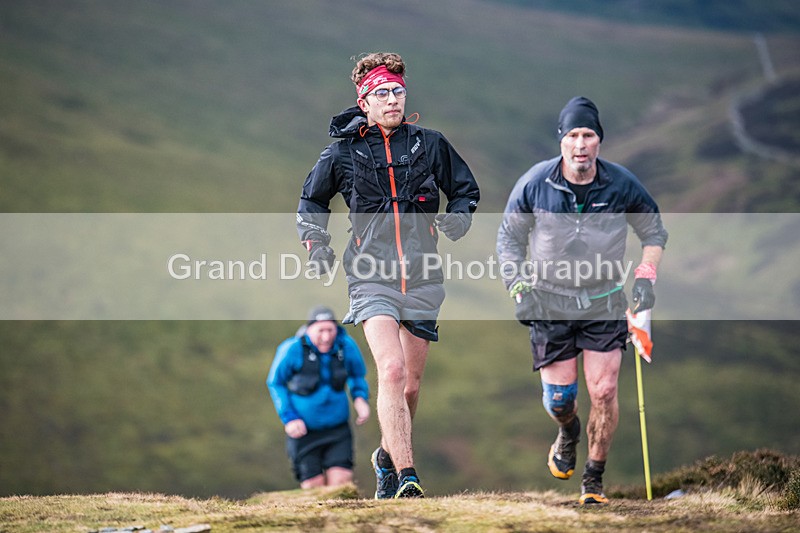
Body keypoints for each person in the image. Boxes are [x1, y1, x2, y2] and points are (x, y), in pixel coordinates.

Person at [296, 52, 480, 498]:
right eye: (382, 93)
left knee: (410, 388)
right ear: (364, 102)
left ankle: (385, 455)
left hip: (422, 275)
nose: (393, 99)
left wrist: (459, 217)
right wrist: (316, 243)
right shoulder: (342, 152)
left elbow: (464, 190)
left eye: (398, 91)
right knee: (392, 371)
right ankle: (407, 476)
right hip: (370, 275)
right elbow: (312, 201)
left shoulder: (430, 144)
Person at [496, 96, 667, 504]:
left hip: (603, 300)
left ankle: (594, 479)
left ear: (599, 140)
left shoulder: (622, 183)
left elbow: (653, 232)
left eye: (588, 134)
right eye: (572, 134)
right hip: (548, 300)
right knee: (561, 401)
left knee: (604, 391)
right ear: (561, 140)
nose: (580, 144)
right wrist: (518, 287)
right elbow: (509, 239)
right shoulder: (535, 183)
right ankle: (568, 429)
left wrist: (645, 276)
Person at [267, 305, 371, 489]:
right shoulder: (292, 348)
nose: (326, 337)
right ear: (309, 329)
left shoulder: (345, 346)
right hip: (304, 430)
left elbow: (357, 375)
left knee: (341, 484)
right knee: (313, 487)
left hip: (337, 428)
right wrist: (289, 417)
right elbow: (276, 383)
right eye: (320, 331)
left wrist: (360, 398)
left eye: (330, 330)